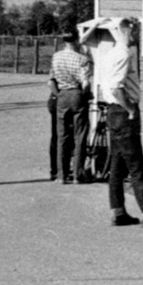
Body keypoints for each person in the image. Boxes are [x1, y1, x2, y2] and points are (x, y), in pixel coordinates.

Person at [97, 18, 143, 228]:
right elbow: (116, 87)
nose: (137, 35)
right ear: (124, 31)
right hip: (123, 112)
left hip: (113, 113)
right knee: (136, 165)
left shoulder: (111, 53)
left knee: (117, 164)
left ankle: (118, 211)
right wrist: (130, 109)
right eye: (134, 31)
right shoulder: (123, 53)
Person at [52, 31, 92, 184]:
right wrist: (87, 94)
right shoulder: (81, 58)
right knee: (80, 135)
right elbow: (86, 83)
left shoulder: (56, 56)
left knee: (63, 136)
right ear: (75, 40)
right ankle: (78, 174)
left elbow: (53, 79)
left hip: (62, 94)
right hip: (77, 94)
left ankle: (61, 175)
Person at [47, 75, 59, 181]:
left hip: (55, 100)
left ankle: (55, 170)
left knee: (56, 136)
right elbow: (51, 82)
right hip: (60, 99)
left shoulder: (57, 58)